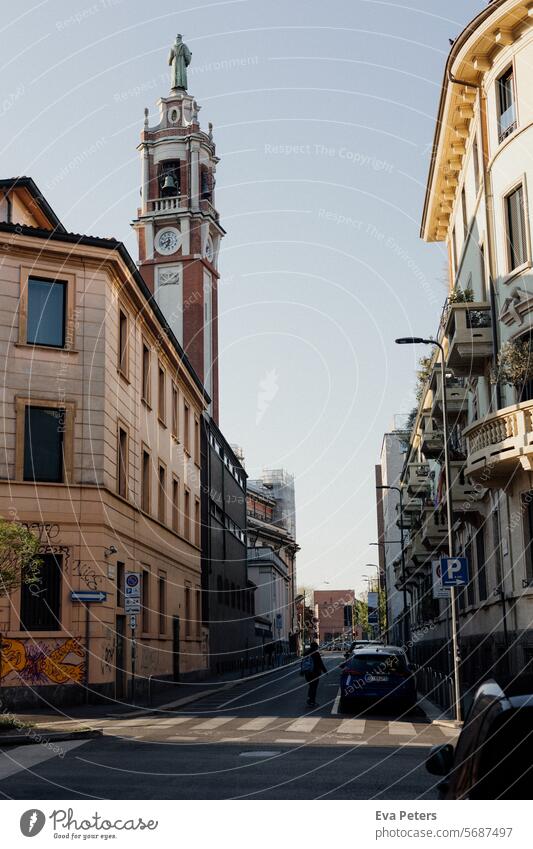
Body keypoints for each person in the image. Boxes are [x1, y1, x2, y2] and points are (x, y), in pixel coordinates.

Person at [303, 641, 327, 707]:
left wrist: (302, 671)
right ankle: (312, 701)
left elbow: (303, 663)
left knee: (311, 686)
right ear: (315, 647)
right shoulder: (316, 654)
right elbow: (320, 663)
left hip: (307, 673)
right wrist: (325, 671)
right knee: (314, 687)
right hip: (315, 673)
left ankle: (310, 699)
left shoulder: (305, 653)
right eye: (317, 647)